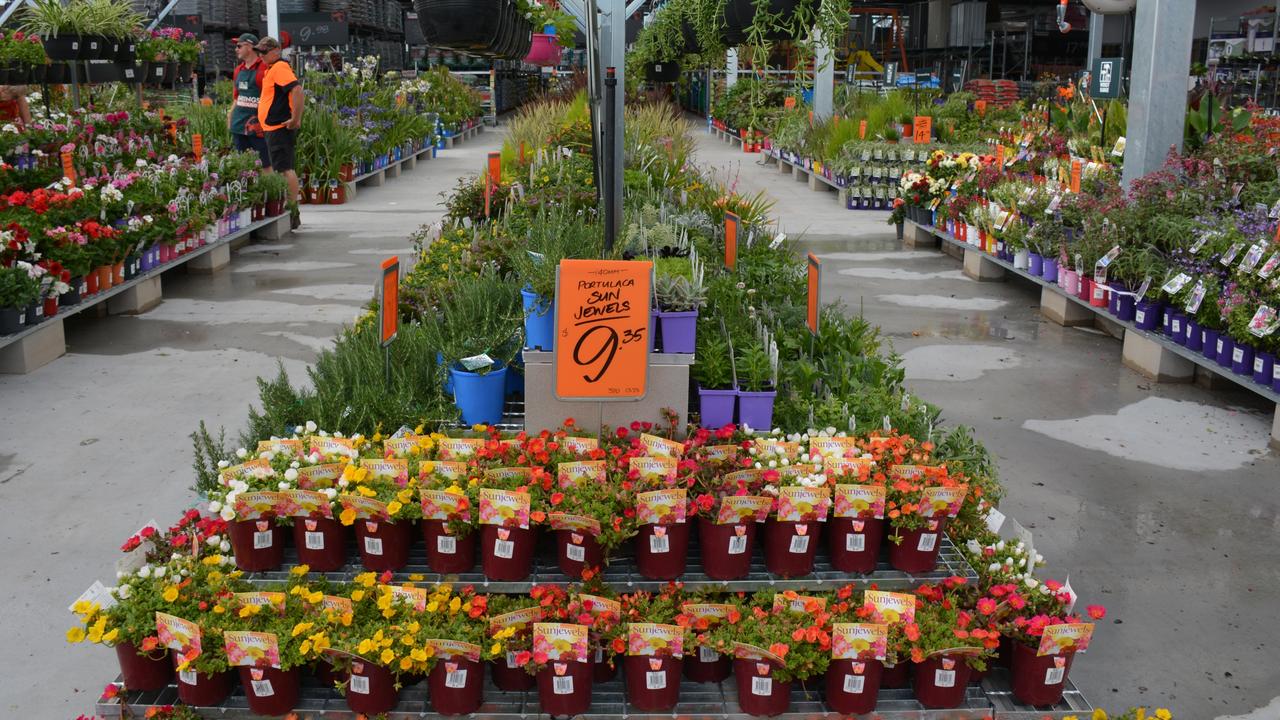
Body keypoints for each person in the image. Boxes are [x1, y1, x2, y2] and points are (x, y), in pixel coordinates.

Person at [255, 36, 304, 226]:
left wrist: (296, 118)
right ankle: (290, 208)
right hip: (273, 127)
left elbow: (297, 90)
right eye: (259, 52)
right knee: (282, 168)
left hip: (279, 127)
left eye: (264, 52)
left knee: (285, 169)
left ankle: (292, 211)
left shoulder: (280, 68)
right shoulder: (271, 69)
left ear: (276, 51)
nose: (261, 56)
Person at [227, 33, 271, 171]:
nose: (236, 49)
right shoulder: (238, 70)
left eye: (239, 46)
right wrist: (230, 116)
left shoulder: (265, 69)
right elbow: (237, 98)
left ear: (250, 47)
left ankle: (270, 192)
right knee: (243, 166)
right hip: (238, 125)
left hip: (258, 128)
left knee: (265, 166)